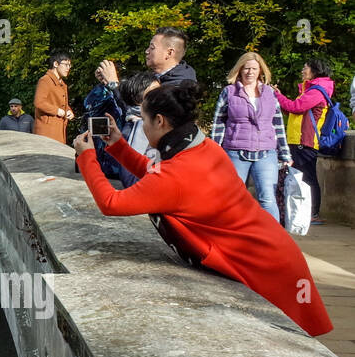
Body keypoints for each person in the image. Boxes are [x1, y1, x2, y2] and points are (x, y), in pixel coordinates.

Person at [73, 83, 331, 337]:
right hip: (277, 253)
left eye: (144, 120)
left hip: (263, 266)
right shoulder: (204, 149)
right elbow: (158, 178)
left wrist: (87, 157)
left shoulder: (176, 176)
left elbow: (111, 203)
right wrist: (118, 146)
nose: (142, 126)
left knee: (294, 344)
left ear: (160, 121)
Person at [209, 52, 291, 223]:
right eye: (246, 68)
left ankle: (273, 240)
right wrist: (214, 152)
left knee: (267, 198)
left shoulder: (270, 93)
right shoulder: (228, 92)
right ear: (239, 70)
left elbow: (278, 125)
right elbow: (218, 123)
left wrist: (285, 154)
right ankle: (232, 236)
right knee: (232, 198)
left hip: (266, 153)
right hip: (235, 152)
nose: (250, 72)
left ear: (260, 70)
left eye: (254, 68)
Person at [276, 57, 335, 225]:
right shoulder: (309, 90)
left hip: (306, 141)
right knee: (301, 178)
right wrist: (280, 98)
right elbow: (294, 111)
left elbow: (295, 107)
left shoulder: (317, 91)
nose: (303, 70)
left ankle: (313, 213)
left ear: (315, 70)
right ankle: (305, 212)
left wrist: (277, 96)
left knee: (308, 178)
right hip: (298, 140)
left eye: (305, 67)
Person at [33, 51, 74, 143]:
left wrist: (69, 111)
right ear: (56, 64)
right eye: (66, 64)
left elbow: (63, 104)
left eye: (70, 65)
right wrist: (57, 111)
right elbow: (39, 102)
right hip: (47, 131)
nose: (68, 68)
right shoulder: (45, 80)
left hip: (59, 130)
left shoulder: (62, 84)